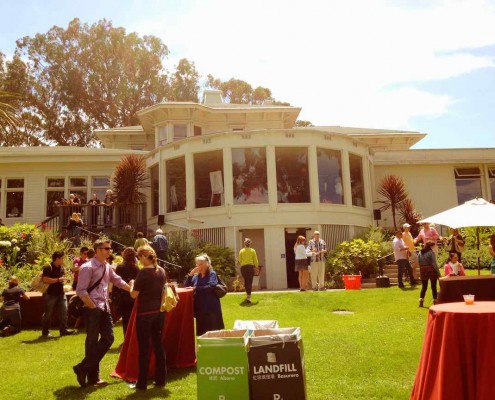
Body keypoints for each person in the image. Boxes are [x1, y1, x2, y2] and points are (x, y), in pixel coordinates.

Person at [73, 239, 131, 388]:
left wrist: (132, 291)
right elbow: (80, 290)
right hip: (93, 308)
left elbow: (117, 281)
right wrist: (92, 305)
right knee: (92, 341)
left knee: (109, 338)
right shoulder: (87, 267)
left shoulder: (107, 266)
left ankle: (82, 367)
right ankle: (93, 377)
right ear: (98, 250)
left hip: (104, 307)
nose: (109, 251)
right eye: (106, 248)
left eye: (110, 248)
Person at [129, 245, 167, 390]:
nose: (139, 260)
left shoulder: (144, 273)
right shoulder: (161, 271)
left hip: (145, 314)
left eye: (139, 257)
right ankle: (161, 380)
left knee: (144, 349)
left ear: (144, 257)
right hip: (159, 313)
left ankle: (142, 383)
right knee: (159, 346)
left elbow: (133, 295)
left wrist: (132, 284)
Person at [185, 254, 224, 336]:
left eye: (201, 264)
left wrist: (196, 288)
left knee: (214, 332)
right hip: (200, 308)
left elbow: (210, 287)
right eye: (197, 264)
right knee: (202, 333)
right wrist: (191, 274)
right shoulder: (196, 277)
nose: (199, 266)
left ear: (207, 264)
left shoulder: (212, 274)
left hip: (211, 308)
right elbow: (187, 287)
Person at [41, 251, 74, 337]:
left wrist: (65, 280)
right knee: (48, 314)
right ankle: (45, 332)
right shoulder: (48, 267)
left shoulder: (61, 267)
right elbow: (45, 279)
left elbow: (61, 278)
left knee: (64, 311)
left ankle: (64, 330)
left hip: (61, 293)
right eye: (62, 258)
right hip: (50, 294)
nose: (63, 259)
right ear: (57, 259)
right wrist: (58, 280)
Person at [112, 247, 139, 336]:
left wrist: (112, 296)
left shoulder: (120, 267)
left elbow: (116, 283)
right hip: (134, 296)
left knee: (126, 320)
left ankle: (126, 339)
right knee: (134, 320)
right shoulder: (137, 268)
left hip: (123, 296)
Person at [417, 242, 441, 307]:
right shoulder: (431, 253)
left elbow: (419, 262)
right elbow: (434, 264)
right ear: (431, 246)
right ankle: (435, 301)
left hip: (423, 270)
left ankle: (421, 301)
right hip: (431, 270)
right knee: (433, 286)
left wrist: (421, 270)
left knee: (424, 286)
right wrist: (439, 274)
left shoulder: (420, 252)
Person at [238, 238, 259, 303]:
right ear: (250, 244)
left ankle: (247, 296)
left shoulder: (241, 251)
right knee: (249, 282)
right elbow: (255, 260)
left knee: (246, 281)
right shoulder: (253, 251)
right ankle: (248, 297)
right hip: (250, 267)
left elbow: (240, 261)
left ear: (244, 243)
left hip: (243, 268)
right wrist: (257, 268)